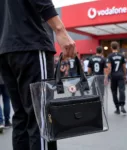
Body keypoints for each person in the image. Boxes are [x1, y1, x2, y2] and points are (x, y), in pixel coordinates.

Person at [0, 1, 75, 150]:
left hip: (5, 49)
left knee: (21, 116)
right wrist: (60, 30)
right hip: (30, 43)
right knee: (41, 117)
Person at [107, 41, 127, 115]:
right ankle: (122, 105)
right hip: (120, 75)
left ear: (111, 47)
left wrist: (107, 77)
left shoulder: (110, 56)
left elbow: (109, 67)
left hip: (113, 76)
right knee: (122, 90)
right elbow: (124, 67)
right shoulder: (122, 55)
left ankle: (117, 108)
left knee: (114, 92)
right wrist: (125, 75)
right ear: (118, 47)